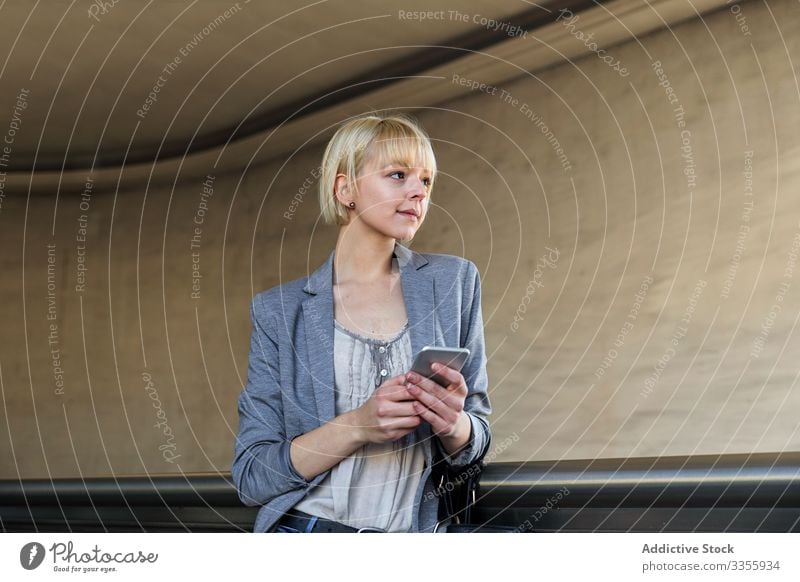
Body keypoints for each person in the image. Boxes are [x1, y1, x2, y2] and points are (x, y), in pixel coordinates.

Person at [232, 112, 492, 533]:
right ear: (345, 188)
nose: (418, 192)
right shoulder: (280, 311)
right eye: (397, 174)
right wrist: (358, 425)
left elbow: (477, 435)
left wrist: (454, 424)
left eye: (426, 180)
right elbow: (252, 475)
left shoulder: (454, 282)